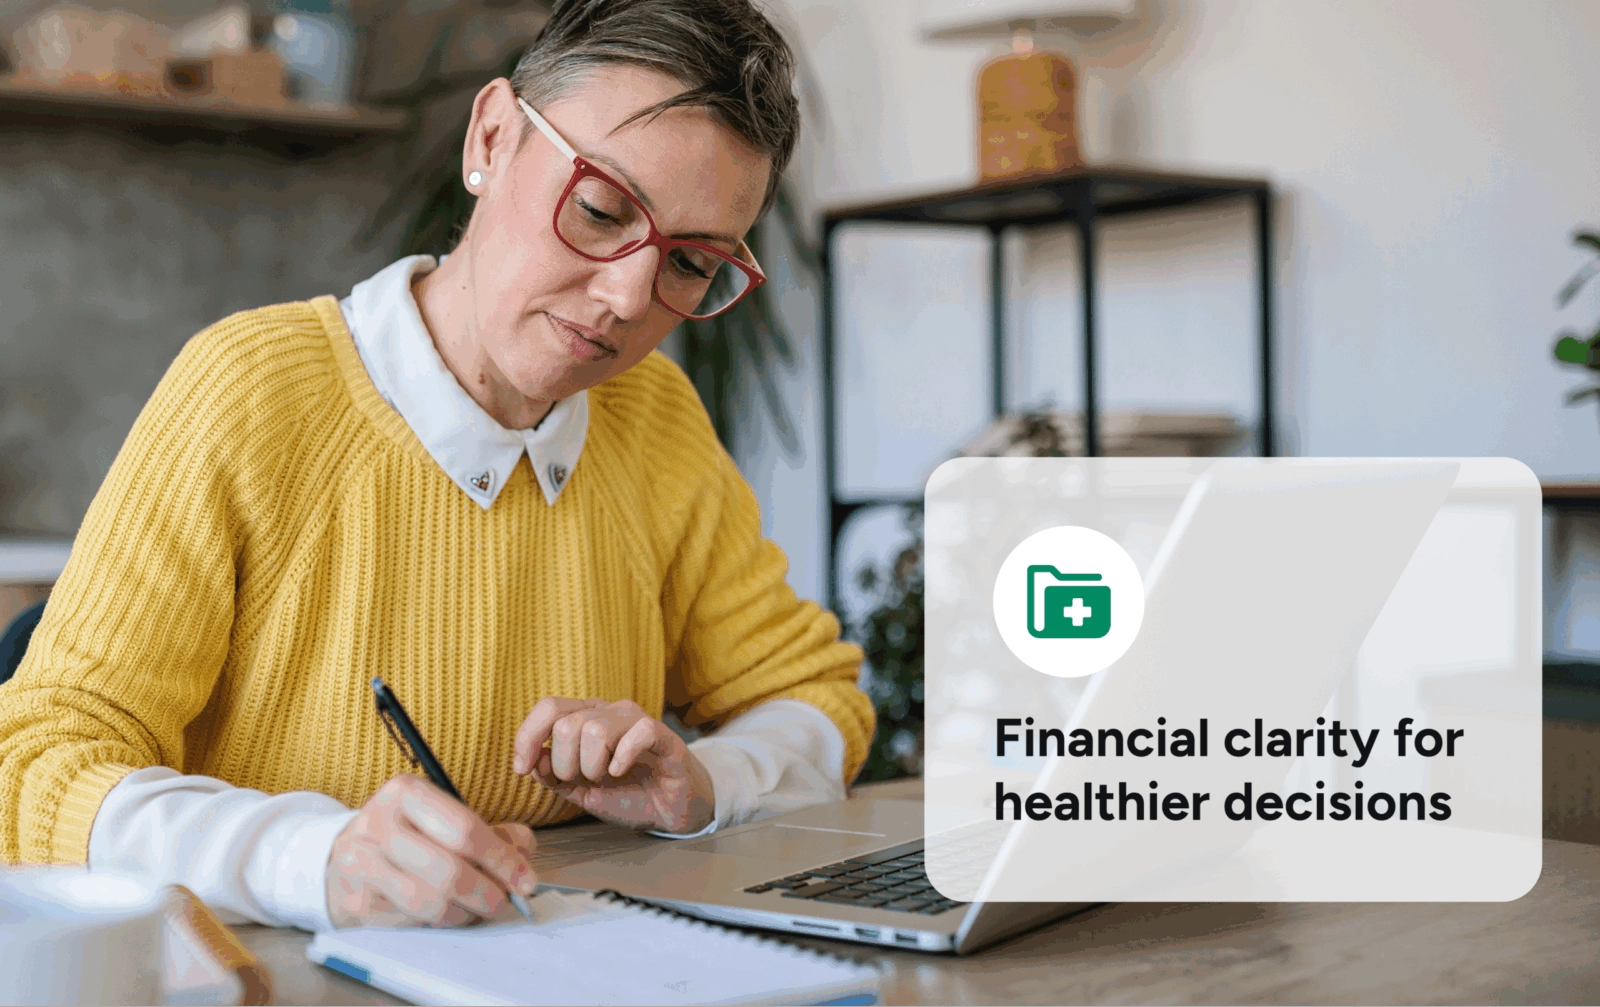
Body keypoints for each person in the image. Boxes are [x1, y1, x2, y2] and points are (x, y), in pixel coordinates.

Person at [0, 0, 873, 932]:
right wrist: (315, 859)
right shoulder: (250, 393)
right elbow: (34, 768)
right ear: (492, 137)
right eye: (601, 208)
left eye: (692, 264)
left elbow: (816, 699)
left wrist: (699, 781)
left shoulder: (654, 423)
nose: (628, 295)